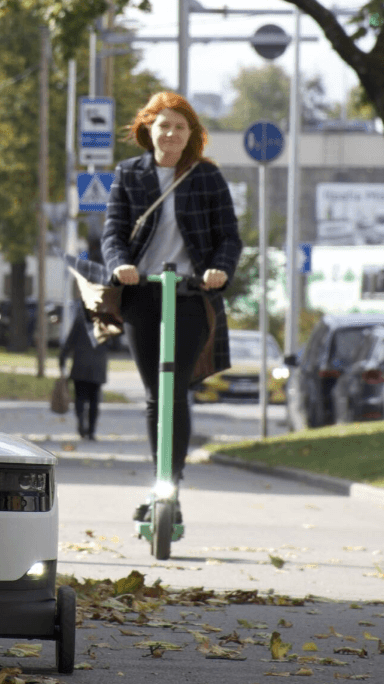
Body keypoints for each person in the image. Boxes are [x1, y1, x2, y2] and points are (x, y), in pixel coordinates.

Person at [78, 91, 242, 522]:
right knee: (155, 395)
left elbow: (229, 237)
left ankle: (171, 488)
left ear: (191, 135)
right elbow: (113, 233)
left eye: (180, 127)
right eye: (164, 125)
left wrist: (219, 270)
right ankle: (159, 486)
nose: (171, 134)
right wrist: (122, 265)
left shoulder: (206, 177)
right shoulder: (129, 174)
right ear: (148, 128)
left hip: (190, 294)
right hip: (143, 294)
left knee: (177, 391)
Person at [59, 301, 109, 441]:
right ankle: (91, 431)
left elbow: (70, 341)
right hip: (98, 367)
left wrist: (62, 358)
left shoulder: (80, 319)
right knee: (94, 401)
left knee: (80, 398)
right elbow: (113, 342)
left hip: (80, 365)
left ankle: (81, 422)